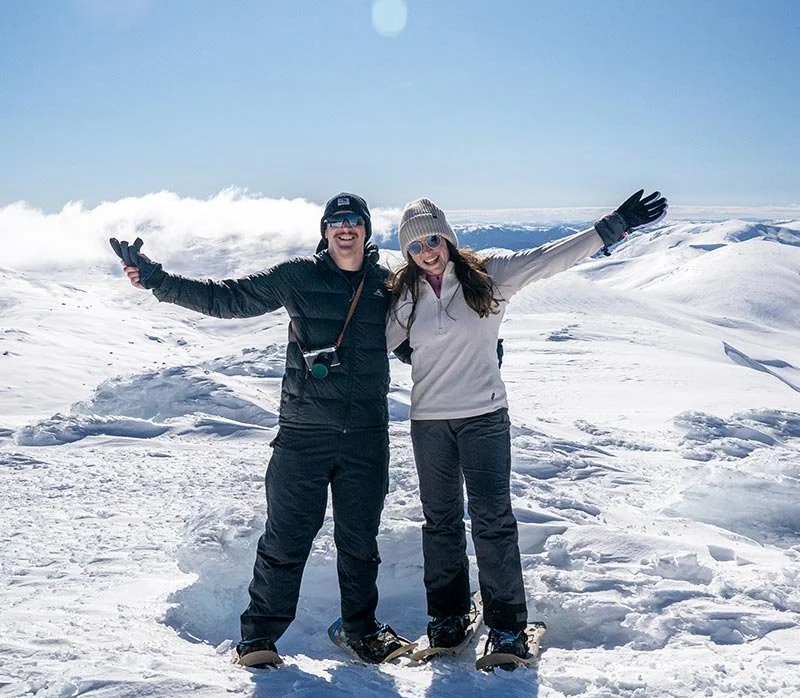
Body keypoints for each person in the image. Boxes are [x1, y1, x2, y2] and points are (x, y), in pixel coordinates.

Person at [112, 192, 409, 667]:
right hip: (303, 435)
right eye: (336, 221)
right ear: (325, 230)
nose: (345, 228)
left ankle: (362, 630)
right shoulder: (297, 276)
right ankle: (258, 639)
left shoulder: (388, 284)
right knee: (286, 537)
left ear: (368, 229)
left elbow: (418, 339)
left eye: (354, 220)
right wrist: (157, 280)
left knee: (360, 542)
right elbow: (227, 298)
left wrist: (475, 349)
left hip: (366, 436)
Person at [386, 190, 667, 668]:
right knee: (441, 522)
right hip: (430, 422)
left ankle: (507, 624)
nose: (427, 251)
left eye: (433, 239)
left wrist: (611, 226)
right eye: (415, 246)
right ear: (407, 254)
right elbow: (369, 344)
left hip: (484, 419)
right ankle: (449, 616)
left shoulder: (489, 276)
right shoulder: (405, 295)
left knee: (493, 521)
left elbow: (549, 258)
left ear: (448, 237)